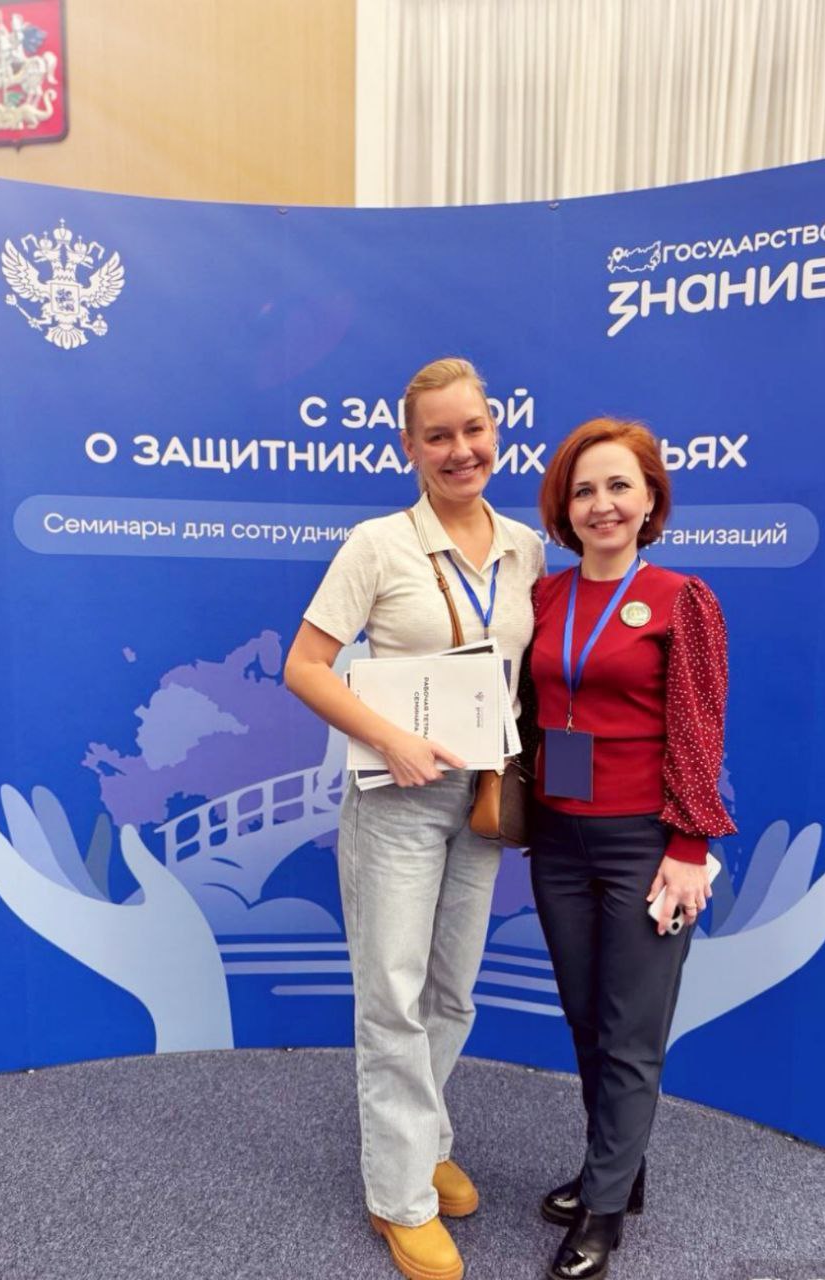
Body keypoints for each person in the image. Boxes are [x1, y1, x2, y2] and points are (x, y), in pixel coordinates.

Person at [283, 357, 545, 1280]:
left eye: (472, 430)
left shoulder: (524, 547)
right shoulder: (377, 545)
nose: (459, 449)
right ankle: (397, 1196)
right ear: (410, 447)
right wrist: (390, 739)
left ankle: (422, 1141)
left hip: (482, 799)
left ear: (494, 431)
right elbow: (304, 666)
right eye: (438, 436)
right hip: (395, 799)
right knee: (393, 998)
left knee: (452, 992)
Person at [528, 417, 736, 1280]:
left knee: (630, 1030)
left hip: (644, 845)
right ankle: (616, 1167)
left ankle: (604, 1211)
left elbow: (699, 729)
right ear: (563, 508)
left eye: (619, 485)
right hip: (555, 840)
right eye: (583, 490)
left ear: (650, 499)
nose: (601, 503)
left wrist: (688, 844)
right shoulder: (543, 598)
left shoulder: (681, 598)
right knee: (585, 1018)